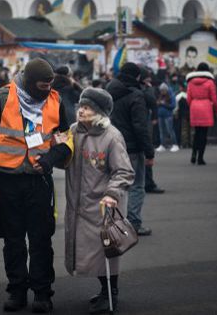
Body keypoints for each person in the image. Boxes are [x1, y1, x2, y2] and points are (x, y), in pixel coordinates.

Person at [0, 58, 69, 313]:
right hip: (8, 181)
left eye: (50, 85)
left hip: (39, 183)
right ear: (29, 83)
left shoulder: (56, 100)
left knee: (41, 240)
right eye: (42, 86)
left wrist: (51, 159)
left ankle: (42, 293)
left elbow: (65, 140)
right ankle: (17, 290)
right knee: (13, 239)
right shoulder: (4, 97)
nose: (46, 90)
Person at [58, 88, 134, 314]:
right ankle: (104, 291)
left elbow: (124, 172)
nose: (81, 110)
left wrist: (112, 194)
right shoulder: (73, 131)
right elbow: (63, 160)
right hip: (78, 205)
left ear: (99, 112)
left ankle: (112, 294)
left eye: (88, 107)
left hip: (103, 205)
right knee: (89, 252)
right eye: (81, 105)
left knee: (106, 251)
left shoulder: (112, 136)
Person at [106, 62, 154, 236]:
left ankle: (113, 221)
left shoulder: (108, 90)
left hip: (110, 145)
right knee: (135, 185)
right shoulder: (135, 95)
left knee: (114, 184)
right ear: (138, 77)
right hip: (132, 147)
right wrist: (149, 152)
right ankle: (133, 222)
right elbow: (140, 126)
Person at [186, 63, 217, 165]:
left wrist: (192, 105)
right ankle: (200, 158)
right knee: (203, 134)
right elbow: (214, 99)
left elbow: (188, 99)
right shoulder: (210, 82)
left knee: (196, 133)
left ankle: (193, 154)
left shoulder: (191, 82)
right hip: (206, 107)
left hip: (194, 106)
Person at [140, 67, 165, 194]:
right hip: (141, 124)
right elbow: (152, 103)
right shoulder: (145, 90)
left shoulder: (120, 87)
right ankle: (148, 183)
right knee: (146, 154)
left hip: (124, 126)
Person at [155, 83, 179, 152]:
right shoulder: (160, 95)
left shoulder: (171, 95)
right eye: (161, 90)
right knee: (162, 131)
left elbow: (173, 105)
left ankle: (175, 144)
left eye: (163, 90)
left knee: (170, 130)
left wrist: (163, 104)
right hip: (160, 115)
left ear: (166, 90)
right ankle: (163, 145)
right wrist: (158, 103)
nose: (162, 92)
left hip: (168, 116)